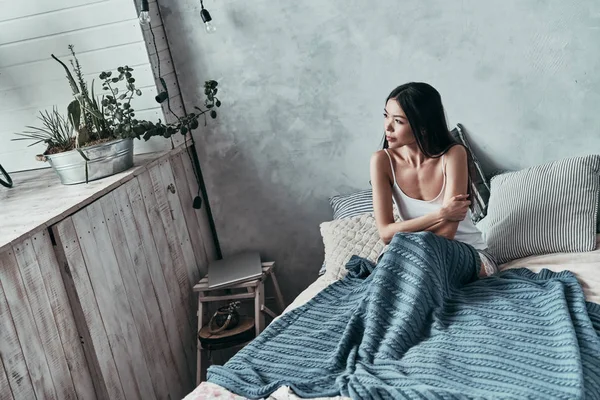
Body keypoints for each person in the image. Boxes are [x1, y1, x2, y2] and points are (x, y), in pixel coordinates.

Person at [370, 82, 496, 277]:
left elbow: (447, 234)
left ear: (423, 128)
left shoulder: (453, 155)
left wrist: (409, 251)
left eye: (398, 121)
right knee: (392, 267)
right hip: (415, 254)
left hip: (465, 253)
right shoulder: (381, 161)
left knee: (412, 268)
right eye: (386, 116)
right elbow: (386, 234)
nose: (388, 127)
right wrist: (441, 214)